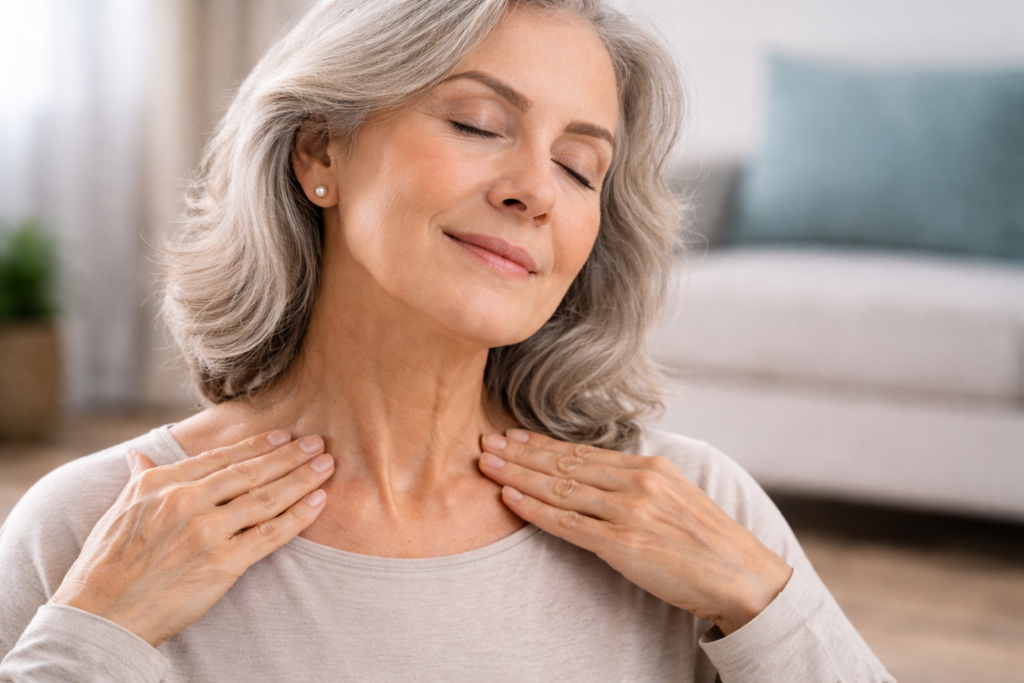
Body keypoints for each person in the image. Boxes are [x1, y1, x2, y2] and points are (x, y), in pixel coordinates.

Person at [0, 0, 894, 680]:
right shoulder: (96, 524)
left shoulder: (692, 508)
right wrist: (93, 636)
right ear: (320, 152)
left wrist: (767, 606)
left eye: (581, 167)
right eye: (476, 123)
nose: (535, 190)